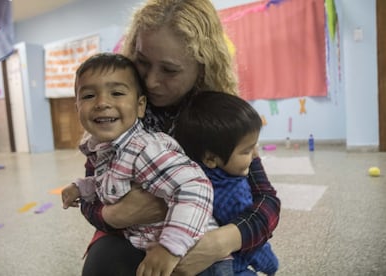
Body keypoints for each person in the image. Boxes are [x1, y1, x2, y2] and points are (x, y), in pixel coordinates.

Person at [62, 0, 281, 275]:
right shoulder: (118, 110)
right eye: (142, 62)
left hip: (208, 237)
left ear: (202, 66)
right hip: (136, 237)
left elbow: (266, 201)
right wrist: (111, 216)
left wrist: (218, 242)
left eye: (169, 70)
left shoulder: (221, 118)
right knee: (104, 262)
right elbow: (95, 190)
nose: (151, 81)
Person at [61, 52, 233, 275]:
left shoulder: (144, 149)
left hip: (199, 258)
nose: (102, 103)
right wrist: (82, 188)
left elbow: (195, 186)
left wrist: (170, 249)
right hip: (153, 249)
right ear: (77, 108)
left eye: (117, 93)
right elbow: (113, 183)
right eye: (88, 96)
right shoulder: (105, 150)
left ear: (141, 106)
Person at [174, 91, 279, 276]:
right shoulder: (232, 193)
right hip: (229, 267)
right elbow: (252, 245)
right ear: (211, 158)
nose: (255, 155)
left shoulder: (191, 170)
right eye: (246, 151)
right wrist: (270, 264)